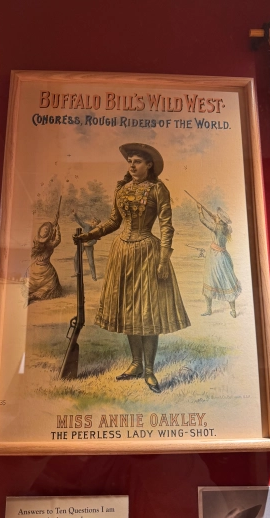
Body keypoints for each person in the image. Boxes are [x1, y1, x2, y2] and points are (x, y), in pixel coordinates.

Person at [74, 143, 190, 393]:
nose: (132, 165)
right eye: (130, 161)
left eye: (137, 161)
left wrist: (163, 259)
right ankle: (136, 363)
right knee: (128, 308)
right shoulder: (121, 189)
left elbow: (167, 226)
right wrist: (90, 235)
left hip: (148, 252)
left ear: (149, 165)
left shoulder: (158, 189)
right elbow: (115, 221)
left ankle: (149, 370)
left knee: (147, 310)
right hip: (122, 254)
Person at [196, 203, 241, 318]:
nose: (215, 216)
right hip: (224, 256)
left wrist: (200, 210)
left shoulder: (216, 227)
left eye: (217, 216)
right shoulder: (228, 228)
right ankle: (233, 310)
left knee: (209, 280)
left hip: (215, 258)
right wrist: (214, 217)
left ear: (220, 220)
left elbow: (203, 220)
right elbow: (220, 224)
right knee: (227, 281)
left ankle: (209, 309)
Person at [27, 221, 62, 305]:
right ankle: (32, 296)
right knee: (50, 287)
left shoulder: (36, 240)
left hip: (34, 269)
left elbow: (46, 238)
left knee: (30, 284)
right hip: (47, 271)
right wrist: (57, 230)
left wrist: (52, 230)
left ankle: (28, 294)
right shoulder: (50, 245)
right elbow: (57, 239)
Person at [72, 210, 101, 281]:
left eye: (95, 222)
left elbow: (95, 240)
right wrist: (75, 215)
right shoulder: (86, 226)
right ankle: (76, 272)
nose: (93, 222)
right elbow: (80, 222)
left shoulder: (96, 231)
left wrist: (87, 244)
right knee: (76, 258)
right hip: (81, 244)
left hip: (89, 246)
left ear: (96, 224)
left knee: (91, 261)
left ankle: (94, 276)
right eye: (92, 221)